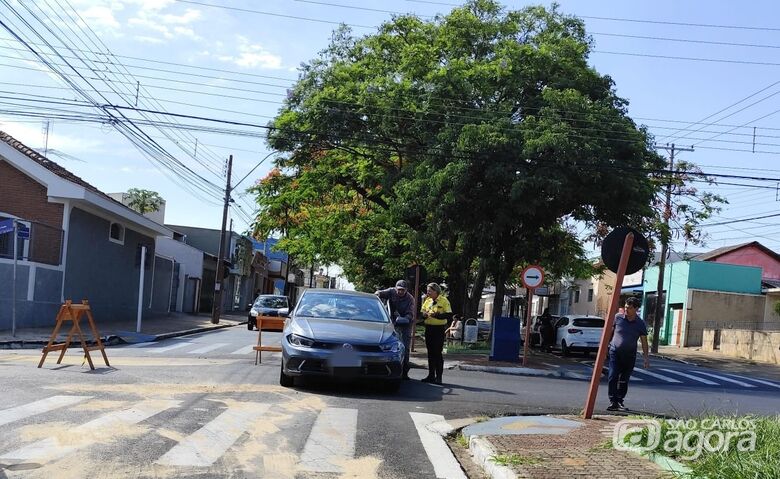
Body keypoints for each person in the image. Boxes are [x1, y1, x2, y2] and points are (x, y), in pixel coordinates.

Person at [607, 296, 650, 412]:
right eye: (626, 307)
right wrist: (606, 345)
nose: (626, 310)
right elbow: (610, 332)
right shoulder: (618, 318)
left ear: (636, 309)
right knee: (613, 376)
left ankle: (620, 400)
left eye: (629, 308)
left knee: (624, 379)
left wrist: (646, 358)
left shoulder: (640, 323)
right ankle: (613, 401)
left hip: (630, 355)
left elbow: (644, 341)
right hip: (615, 352)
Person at [375, 280, 416, 380]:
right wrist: (378, 293)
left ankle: (405, 372)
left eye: (402, 290)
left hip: (405, 322)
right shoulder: (391, 291)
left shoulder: (410, 299)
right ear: (395, 288)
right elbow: (380, 292)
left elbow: (410, 314)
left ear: (406, 290)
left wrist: (404, 319)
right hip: (391, 321)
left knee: (405, 347)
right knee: (390, 344)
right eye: (398, 289)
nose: (400, 292)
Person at [420, 282, 452, 384]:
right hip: (429, 328)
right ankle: (430, 376)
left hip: (439, 329)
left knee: (437, 353)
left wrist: (437, 316)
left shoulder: (444, 300)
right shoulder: (427, 300)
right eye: (427, 290)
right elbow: (422, 312)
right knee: (430, 353)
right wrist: (424, 315)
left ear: (436, 291)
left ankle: (439, 377)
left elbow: (448, 315)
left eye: (429, 290)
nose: (427, 292)